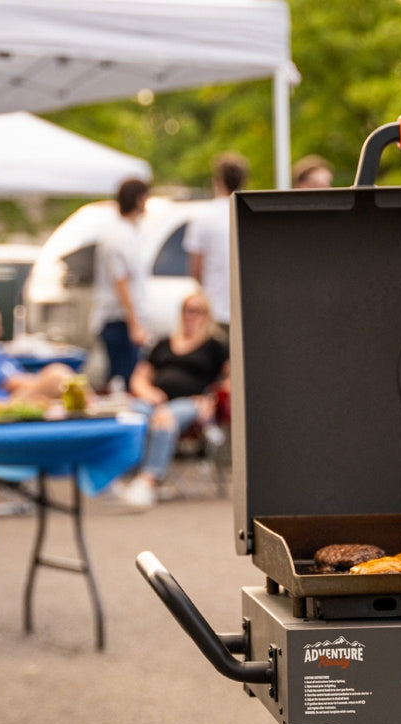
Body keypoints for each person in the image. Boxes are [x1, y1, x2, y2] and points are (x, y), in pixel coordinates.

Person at [114, 289, 229, 510]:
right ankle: (116, 475)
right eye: (187, 310)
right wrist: (148, 392)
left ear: (207, 314)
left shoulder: (214, 346)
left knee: (165, 417)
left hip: (191, 402)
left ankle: (147, 481)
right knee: (128, 416)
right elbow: (139, 376)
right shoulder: (164, 343)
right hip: (155, 400)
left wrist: (211, 397)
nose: (191, 316)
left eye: (198, 311)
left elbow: (231, 379)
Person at [90, 177, 150, 388]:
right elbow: (121, 281)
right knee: (123, 380)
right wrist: (135, 323)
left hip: (123, 319)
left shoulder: (126, 233)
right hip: (118, 320)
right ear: (139, 200)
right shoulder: (119, 236)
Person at [183, 153, 249, 340]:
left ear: (218, 180)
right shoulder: (249, 215)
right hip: (246, 311)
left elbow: (195, 269)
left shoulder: (204, 217)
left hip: (214, 310)